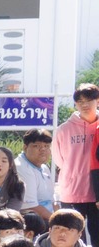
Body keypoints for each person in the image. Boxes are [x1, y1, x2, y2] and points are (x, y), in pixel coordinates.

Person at [56, 85, 99, 236]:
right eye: (80, 101)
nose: (84, 105)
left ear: (97, 101)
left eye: (89, 100)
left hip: (96, 193)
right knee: (71, 236)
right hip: (72, 191)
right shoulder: (63, 129)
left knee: (97, 238)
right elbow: (58, 159)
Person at [17, 128, 55, 210]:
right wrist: (58, 220)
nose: (43, 150)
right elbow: (31, 208)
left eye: (46, 146)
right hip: (32, 218)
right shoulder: (21, 167)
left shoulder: (44, 167)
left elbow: (52, 200)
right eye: (37, 146)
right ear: (25, 147)